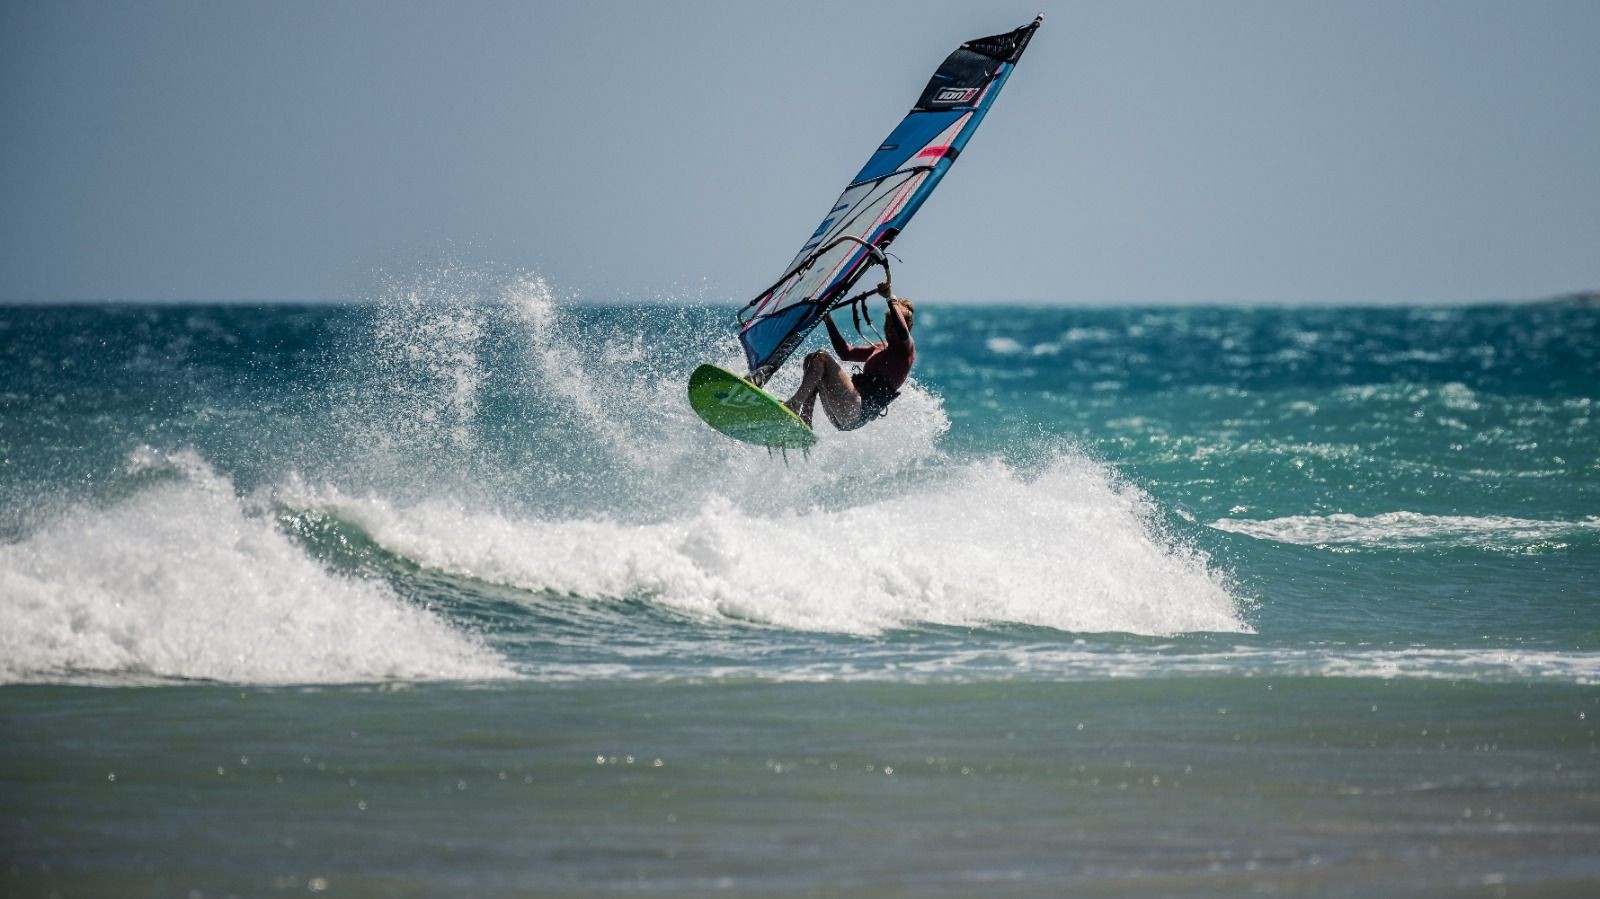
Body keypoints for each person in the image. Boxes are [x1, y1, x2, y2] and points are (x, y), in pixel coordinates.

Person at [783, 282, 915, 431]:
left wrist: (891, 297)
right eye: (887, 325)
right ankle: (805, 418)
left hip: (856, 410)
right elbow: (845, 353)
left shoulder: (906, 350)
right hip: (841, 413)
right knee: (811, 360)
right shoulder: (879, 348)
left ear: (908, 327)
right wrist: (828, 320)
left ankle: (794, 404)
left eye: (893, 326)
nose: (889, 330)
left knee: (821, 357)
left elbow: (902, 330)